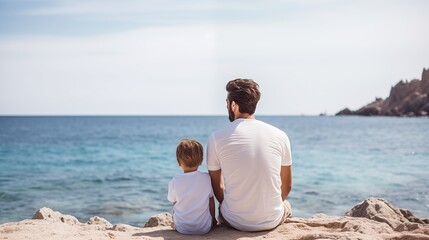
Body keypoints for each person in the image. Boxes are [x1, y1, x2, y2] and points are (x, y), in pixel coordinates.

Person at [207, 79, 292, 232]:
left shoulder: (216, 138)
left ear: (233, 105)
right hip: (271, 220)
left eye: (227, 102)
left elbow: (217, 186)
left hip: (234, 221)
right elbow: (287, 185)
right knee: (287, 206)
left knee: (224, 207)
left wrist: (235, 210)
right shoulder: (280, 135)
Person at [167, 139, 216, 235]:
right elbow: (211, 202)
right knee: (209, 198)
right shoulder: (207, 178)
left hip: (182, 229)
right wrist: (213, 219)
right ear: (201, 161)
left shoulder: (175, 181)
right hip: (204, 228)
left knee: (176, 202)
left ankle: (180, 221)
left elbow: (172, 200)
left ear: (178, 162)